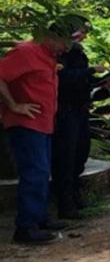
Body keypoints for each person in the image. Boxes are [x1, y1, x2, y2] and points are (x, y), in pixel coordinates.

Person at [0, 19, 83, 244]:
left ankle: (39, 218)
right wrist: (14, 105)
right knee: (34, 172)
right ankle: (26, 227)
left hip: (44, 123)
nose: (65, 49)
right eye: (64, 43)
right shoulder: (26, 52)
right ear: (50, 36)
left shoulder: (49, 57)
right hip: (26, 124)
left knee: (42, 171)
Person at [52, 23, 105, 219]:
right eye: (81, 32)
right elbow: (64, 78)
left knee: (80, 153)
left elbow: (81, 80)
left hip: (80, 109)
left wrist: (99, 82)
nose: (83, 37)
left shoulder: (78, 52)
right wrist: (90, 70)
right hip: (66, 111)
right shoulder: (60, 54)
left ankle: (75, 196)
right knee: (66, 157)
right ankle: (65, 203)